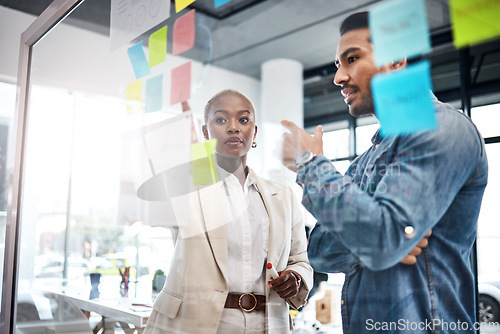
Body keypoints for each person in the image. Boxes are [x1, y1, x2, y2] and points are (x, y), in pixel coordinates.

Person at [280, 12, 488, 334]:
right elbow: (318, 249)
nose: (338, 77)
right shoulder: (364, 161)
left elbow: (383, 238)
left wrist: (310, 163)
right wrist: (378, 239)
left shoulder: (443, 127)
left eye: (351, 59)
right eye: (337, 64)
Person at [145, 89, 313, 334]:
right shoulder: (187, 188)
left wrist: (296, 278)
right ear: (205, 132)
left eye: (243, 120)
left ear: (254, 132)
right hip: (200, 325)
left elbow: (300, 260)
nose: (233, 127)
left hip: (269, 324)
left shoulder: (283, 196)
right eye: (221, 120)